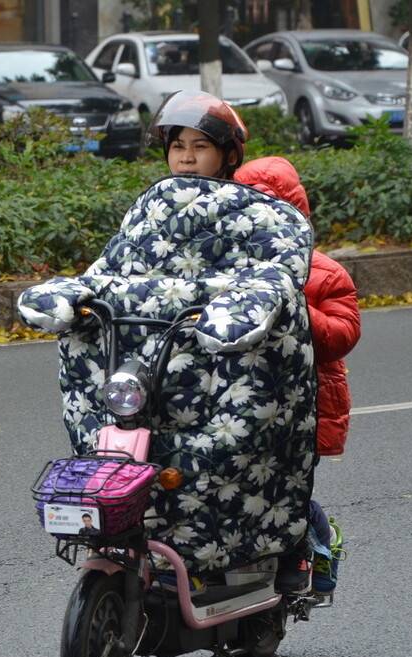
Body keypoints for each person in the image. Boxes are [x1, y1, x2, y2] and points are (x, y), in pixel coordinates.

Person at [18, 90, 318, 579]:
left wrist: (240, 310)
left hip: (219, 367)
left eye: (200, 146)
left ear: (228, 154)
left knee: (247, 466)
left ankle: (288, 555)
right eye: (177, 145)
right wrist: (70, 296)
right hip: (149, 373)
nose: (186, 157)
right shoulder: (149, 212)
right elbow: (107, 272)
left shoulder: (267, 217)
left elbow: (275, 276)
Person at [233, 156, 360, 594]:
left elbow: (342, 335)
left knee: (283, 489)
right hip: (242, 397)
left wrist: (296, 307)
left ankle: (317, 544)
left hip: (303, 404)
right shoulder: (225, 266)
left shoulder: (322, 272)